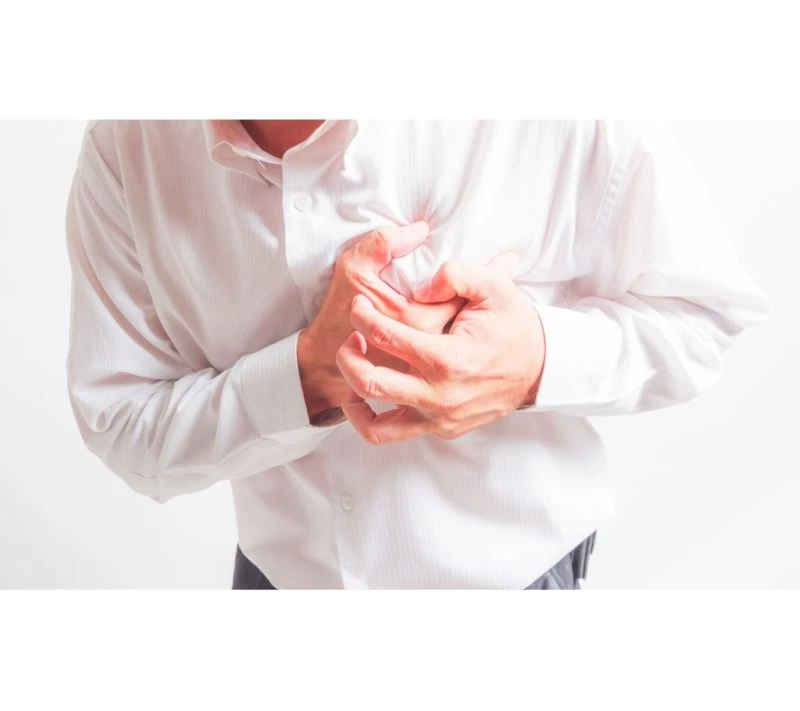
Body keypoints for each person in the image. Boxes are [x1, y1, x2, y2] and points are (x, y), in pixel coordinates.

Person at [65, 120, 769, 589]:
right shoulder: (128, 147)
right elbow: (121, 421)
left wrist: (536, 360)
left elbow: (706, 314)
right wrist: (307, 378)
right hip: (279, 587)